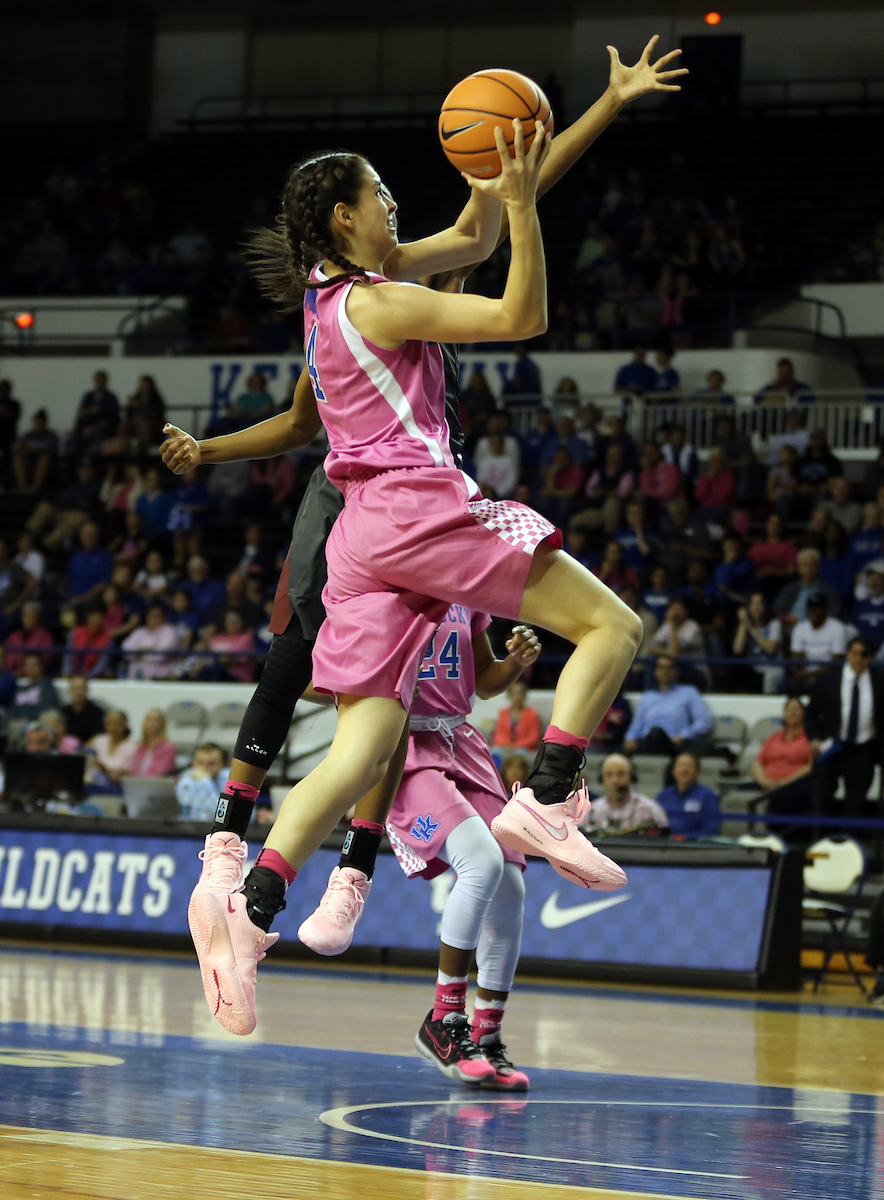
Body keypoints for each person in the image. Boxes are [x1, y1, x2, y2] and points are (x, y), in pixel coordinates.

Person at [160, 38, 684, 1035]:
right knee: (612, 629)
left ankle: (248, 909)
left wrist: (596, 113)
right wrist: (521, 206)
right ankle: (550, 794)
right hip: (418, 508)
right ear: (345, 216)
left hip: (362, 539)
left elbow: (482, 223)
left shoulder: (336, 298)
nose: (398, 205)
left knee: (356, 749)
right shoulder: (386, 297)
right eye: (383, 195)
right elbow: (519, 306)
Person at [305, 613, 541, 1089]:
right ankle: (445, 1018)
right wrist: (368, 694)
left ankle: (486, 1033)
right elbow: (309, 678)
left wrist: (513, 662)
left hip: (463, 740)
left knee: (511, 885)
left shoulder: (465, 593)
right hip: (404, 745)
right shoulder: (381, 589)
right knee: (481, 861)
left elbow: (486, 681)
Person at [804, 636, 884, 820]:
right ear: (848, 654)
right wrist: (814, 737)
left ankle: (850, 841)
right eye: (855, 653)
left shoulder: (879, 680)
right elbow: (811, 713)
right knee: (822, 796)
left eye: (864, 655)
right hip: (832, 745)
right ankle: (824, 840)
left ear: (871, 658)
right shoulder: (829, 680)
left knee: (856, 801)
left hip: (863, 749)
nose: (859, 659)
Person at [623, 655, 714, 757]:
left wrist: (684, 735)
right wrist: (629, 738)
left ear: (676, 671)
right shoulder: (647, 697)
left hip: (675, 745)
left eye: (669, 667)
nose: (665, 671)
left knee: (656, 733)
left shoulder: (688, 692)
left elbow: (705, 722)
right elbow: (637, 724)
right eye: (661, 667)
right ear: (655, 672)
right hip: (646, 744)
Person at [752, 697, 815, 826]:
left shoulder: (809, 738)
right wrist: (764, 781)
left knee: (783, 796)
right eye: (789, 709)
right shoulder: (774, 738)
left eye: (796, 709)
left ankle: (777, 834)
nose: (792, 712)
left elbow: (810, 766)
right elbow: (758, 763)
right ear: (784, 714)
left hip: (795, 786)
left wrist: (783, 783)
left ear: (804, 714)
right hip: (769, 786)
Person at [584, 753, 668, 834]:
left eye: (621, 774)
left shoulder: (649, 810)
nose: (615, 781)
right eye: (609, 775)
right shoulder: (592, 812)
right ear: (601, 779)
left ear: (631, 777)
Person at [655, 751, 720, 838]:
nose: (684, 770)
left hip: (693, 847)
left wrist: (686, 837)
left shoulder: (707, 795)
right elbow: (653, 823)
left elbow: (712, 828)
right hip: (664, 845)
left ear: (698, 771)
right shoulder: (663, 795)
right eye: (680, 766)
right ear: (673, 771)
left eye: (689, 767)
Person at [733, 591, 783, 693]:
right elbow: (737, 650)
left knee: (770, 677)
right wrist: (744, 622)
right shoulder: (746, 624)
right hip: (754, 669)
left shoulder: (774, 623)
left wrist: (750, 627)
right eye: (753, 604)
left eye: (759, 603)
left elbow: (770, 648)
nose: (756, 607)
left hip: (772, 667)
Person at [121, 601, 179, 679]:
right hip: (135, 679)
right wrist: (150, 648)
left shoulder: (169, 631)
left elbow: (160, 655)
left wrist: (138, 653)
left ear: (163, 617)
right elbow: (125, 650)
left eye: (157, 616)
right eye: (151, 615)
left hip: (160, 680)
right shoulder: (139, 631)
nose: (153, 618)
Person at [86, 710, 136, 794]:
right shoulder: (97, 741)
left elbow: (132, 773)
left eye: (117, 724)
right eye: (110, 723)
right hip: (93, 788)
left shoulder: (133, 747)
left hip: (119, 790)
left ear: (125, 725)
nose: (113, 727)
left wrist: (106, 771)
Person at [176, 743, 230, 822]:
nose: (204, 768)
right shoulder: (186, 782)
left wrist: (205, 782)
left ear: (222, 765)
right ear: (194, 763)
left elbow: (221, 817)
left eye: (211, 764)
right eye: (200, 763)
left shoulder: (229, 780)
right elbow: (185, 816)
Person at [491, 678, 542, 757]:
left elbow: (534, 737)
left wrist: (516, 746)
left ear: (524, 695)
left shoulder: (532, 714)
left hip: (524, 748)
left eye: (520, 694)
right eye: (514, 694)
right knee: (494, 752)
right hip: (505, 748)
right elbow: (498, 734)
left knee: (520, 754)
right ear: (509, 695)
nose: (517, 697)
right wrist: (506, 745)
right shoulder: (503, 713)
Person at [12, 653, 61, 722]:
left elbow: (45, 710)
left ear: (41, 666)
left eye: (34, 665)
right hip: (18, 723)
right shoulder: (20, 688)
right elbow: (13, 708)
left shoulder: (47, 687)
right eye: (28, 665)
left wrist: (27, 719)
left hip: (38, 724)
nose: (31, 668)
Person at [130, 708, 177, 778]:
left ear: (162, 724)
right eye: (149, 720)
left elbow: (160, 773)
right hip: (138, 784)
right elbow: (133, 769)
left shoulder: (168, 747)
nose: (151, 724)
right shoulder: (140, 746)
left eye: (155, 720)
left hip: (158, 785)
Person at [61, 676, 105, 744]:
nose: (78, 692)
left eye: (81, 689)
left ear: (87, 690)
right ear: (70, 690)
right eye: (75, 689)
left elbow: (98, 735)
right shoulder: (63, 712)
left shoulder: (97, 712)